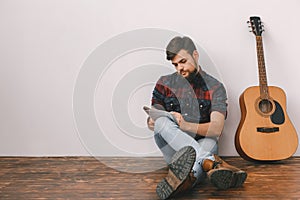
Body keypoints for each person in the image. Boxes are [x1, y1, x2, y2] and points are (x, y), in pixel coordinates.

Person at [146, 36, 247, 199]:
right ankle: (212, 162)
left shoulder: (215, 87)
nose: (180, 68)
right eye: (175, 64)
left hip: (203, 141)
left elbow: (216, 128)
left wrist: (185, 125)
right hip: (173, 149)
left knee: (204, 149)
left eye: (183, 61)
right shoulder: (164, 83)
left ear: (195, 55)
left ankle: (186, 179)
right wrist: (152, 121)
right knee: (161, 122)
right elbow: (154, 119)